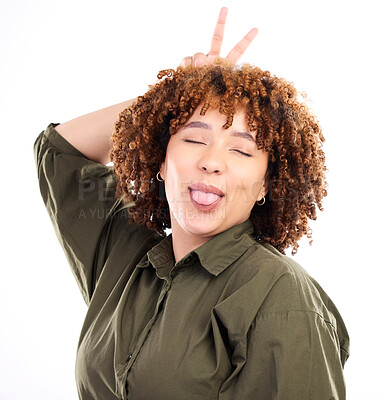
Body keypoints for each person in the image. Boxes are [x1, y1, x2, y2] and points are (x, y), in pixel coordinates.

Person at [33, 7, 350, 400]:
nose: (211, 161)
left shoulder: (280, 295)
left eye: (241, 150)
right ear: (161, 161)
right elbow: (60, 153)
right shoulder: (124, 253)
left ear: (266, 185)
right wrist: (171, 96)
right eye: (194, 138)